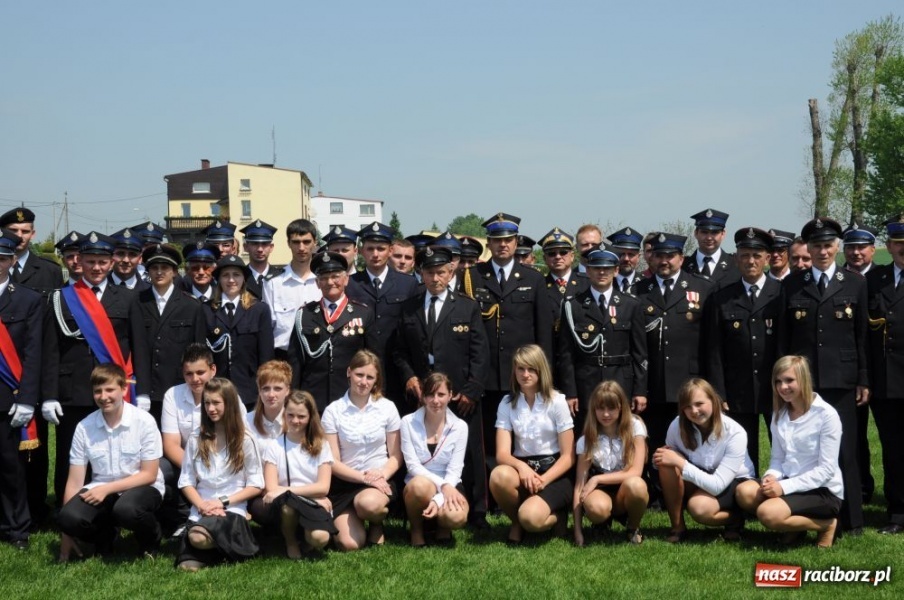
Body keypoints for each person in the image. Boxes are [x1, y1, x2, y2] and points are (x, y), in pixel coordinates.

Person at [42, 231, 151, 506]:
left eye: (102, 262)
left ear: (111, 262)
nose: (97, 268)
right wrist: (50, 394)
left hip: (114, 390)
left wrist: (145, 391)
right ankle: (68, 511)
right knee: (71, 452)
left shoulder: (128, 298)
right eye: (91, 262)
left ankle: (113, 507)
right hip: (73, 390)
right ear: (80, 261)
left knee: (114, 453)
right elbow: (51, 350)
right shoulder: (62, 298)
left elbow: (139, 348)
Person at [392, 246, 490, 529]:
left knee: (470, 452)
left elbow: (479, 354)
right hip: (422, 393)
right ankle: (418, 505)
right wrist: (409, 377)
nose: (435, 278)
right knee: (422, 451)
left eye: (441, 272)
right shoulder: (409, 307)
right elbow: (398, 351)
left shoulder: (467, 306)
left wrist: (472, 390)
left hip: (460, 393)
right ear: (421, 274)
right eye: (429, 272)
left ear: (451, 273)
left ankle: (477, 510)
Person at [779, 217, 867, 534]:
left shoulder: (855, 283)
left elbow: (861, 338)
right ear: (808, 248)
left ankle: (852, 521)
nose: (823, 251)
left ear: (837, 246)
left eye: (828, 245)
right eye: (816, 245)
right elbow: (784, 340)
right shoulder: (792, 284)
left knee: (846, 450)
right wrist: (785, 382)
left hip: (842, 381)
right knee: (803, 451)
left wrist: (863, 379)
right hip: (805, 384)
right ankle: (807, 516)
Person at [463, 213, 552, 463]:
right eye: (497, 240)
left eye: (509, 240)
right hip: (487, 374)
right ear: (488, 244)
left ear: (516, 242)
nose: (503, 244)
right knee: (490, 437)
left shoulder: (533, 279)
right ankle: (493, 492)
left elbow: (543, 331)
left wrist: (545, 376)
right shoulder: (471, 277)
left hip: (523, 373)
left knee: (525, 434)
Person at [57, 364, 164, 561]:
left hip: (142, 485)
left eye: (109, 389)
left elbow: (149, 474)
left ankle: (151, 538)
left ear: (124, 389)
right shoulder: (84, 427)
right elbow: (74, 482)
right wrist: (67, 532)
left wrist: (107, 489)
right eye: (98, 391)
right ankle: (105, 536)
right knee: (67, 517)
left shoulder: (144, 421)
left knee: (126, 509)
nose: (103, 396)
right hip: (101, 489)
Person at [735, 356, 842, 548]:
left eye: (789, 380)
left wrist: (783, 488)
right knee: (745, 491)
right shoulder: (779, 414)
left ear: (804, 379)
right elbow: (778, 458)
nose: (783, 387)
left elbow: (826, 470)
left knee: (767, 514)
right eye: (778, 381)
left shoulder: (826, 415)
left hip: (823, 490)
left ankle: (826, 525)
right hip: (789, 484)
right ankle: (796, 528)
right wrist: (770, 477)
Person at [703, 227, 783, 474]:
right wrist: (718, 391)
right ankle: (745, 495)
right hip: (737, 388)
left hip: (775, 387)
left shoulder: (781, 293)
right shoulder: (721, 298)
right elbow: (713, 350)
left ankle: (784, 491)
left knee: (783, 445)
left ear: (767, 258)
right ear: (736, 258)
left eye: (757, 255)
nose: (751, 261)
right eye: (745, 255)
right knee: (741, 449)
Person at [3, 208, 62, 525]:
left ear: (33, 234)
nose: (20, 237)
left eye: (25, 231)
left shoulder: (48, 271)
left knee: (35, 452)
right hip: (5, 374)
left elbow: (46, 334)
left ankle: (36, 508)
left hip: (29, 375)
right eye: (14, 231)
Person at [634, 233, 714, 452]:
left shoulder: (703, 289)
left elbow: (711, 343)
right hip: (654, 386)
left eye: (670, 255)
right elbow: (636, 347)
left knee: (694, 444)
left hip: (690, 383)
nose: (664, 261)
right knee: (656, 444)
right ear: (651, 257)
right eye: (659, 255)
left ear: (681, 258)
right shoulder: (638, 292)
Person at [489, 345, 574, 544]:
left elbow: (569, 456)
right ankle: (517, 523)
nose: (525, 374)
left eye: (531, 369)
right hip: (523, 472)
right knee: (498, 475)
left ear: (541, 370)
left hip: (555, 473)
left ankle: (557, 516)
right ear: (514, 371)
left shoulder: (557, 401)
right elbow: (502, 454)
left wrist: (543, 480)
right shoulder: (506, 403)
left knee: (532, 519)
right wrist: (522, 467)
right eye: (520, 369)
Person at [176, 377, 263, 571]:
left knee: (197, 536)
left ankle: (228, 544)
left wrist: (221, 502)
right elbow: (186, 481)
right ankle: (228, 549)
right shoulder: (196, 438)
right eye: (207, 403)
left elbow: (256, 484)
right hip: (202, 509)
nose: (211, 408)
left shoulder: (246, 440)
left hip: (230, 509)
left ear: (230, 404)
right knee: (187, 567)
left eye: (216, 402)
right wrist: (202, 505)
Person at [652, 378, 754, 543]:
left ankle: (736, 518)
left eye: (699, 404)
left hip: (733, 482)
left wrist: (680, 463)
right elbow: (664, 461)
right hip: (700, 476)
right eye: (687, 406)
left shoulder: (735, 432)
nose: (694, 411)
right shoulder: (676, 426)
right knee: (666, 464)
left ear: (713, 401)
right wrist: (658, 458)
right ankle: (677, 527)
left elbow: (717, 485)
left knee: (699, 509)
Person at [557, 247, 647, 431]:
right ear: (588, 271)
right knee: (586, 435)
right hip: (586, 383)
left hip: (621, 381)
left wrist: (639, 390)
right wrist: (570, 391)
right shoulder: (573, 306)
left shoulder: (631, 305)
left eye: (607, 268)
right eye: (596, 268)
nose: (602, 272)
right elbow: (565, 354)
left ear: (616, 271)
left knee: (621, 433)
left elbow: (639, 353)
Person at [322, 350, 402, 550]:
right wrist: (362, 477)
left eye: (370, 377)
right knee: (349, 544)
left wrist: (380, 475)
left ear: (376, 381)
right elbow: (332, 461)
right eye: (359, 374)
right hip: (345, 482)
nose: (363, 381)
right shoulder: (333, 411)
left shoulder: (387, 407)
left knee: (368, 505)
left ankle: (376, 522)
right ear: (349, 372)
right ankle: (350, 520)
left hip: (379, 481)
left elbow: (396, 455)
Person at [288, 251, 376, 414]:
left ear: (346, 279)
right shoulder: (305, 315)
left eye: (335, 276)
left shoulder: (363, 313)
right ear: (317, 282)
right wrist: (294, 395)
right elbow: (296, 360)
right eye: (324, 278)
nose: (330, 282)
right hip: (313, 398)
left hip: (352, 397)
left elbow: (373, 358)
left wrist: (375, 393)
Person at [0, 229, 43, 550]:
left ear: (12, 261)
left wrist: (28, 399)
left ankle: (17, 529)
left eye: (2, 259)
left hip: (9, 399)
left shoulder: (27, 299)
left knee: (11, 468)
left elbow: (33, 353)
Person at [260, 390, 337, 558]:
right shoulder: (274, 446)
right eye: (290, 415)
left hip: (311, 502)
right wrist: (309, 494)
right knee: (288, 507)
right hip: (288, 504)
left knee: (320, 538)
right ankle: (290, 541)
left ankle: (307, 542)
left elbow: (323, 487)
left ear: (311, 417)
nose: (295, 421)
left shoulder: (322, 445)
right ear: (284, 414)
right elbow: (272, 488)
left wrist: (287, 491)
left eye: (301, 416)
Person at [349, 221, 418, 404]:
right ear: (362, 251)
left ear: (390, 250)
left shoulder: (408, 284)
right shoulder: (350, 284)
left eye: (381, 248)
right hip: (363, 367)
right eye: (370, 249)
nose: (375, 254)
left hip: (398, 368)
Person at [865, 214, 904, 534]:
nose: (903, 249)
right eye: (898, 243)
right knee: (893, 449)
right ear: (889, 246)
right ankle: (897, 512)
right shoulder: (874, 280)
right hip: (886, 381)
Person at [573, 381, 648, 546]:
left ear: (621, 407)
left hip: (626, 487)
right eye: (600, 408)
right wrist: (577, 530)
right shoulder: (586, 439)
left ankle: (633, 527)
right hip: (601, 492)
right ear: (593, 409)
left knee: (637, 485)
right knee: (596, 508)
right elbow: (580, 485)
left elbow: (636, 472)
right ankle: (601, 521)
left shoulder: (635, 427)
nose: (606, 414)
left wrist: (597, 479)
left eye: (611, 408)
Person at [400, 373, 470, 547]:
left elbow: (455, 470)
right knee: (419, 486)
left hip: (450, 483)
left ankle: (442, 526)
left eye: (441, 395)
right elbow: (412, 466)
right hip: (419, 485)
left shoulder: (460, 427)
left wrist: (440, 497)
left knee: (456, 517)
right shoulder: (407, 422)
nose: (435, 400)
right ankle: (416, 530)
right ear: (423, 396)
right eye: (430, 394)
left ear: (450, 395)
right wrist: (443, 487)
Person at [137, 243, 206, 419]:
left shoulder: (191, 305)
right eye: (154, 268)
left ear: (175, 272)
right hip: (149, 389)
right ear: (148, 271)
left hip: (180, 387)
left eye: (165, 267)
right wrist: (142, 390)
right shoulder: (137, 303)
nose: (159, 272)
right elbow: (137, 347)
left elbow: (198, 352)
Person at [203, 254, 274, 409]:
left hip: (249, 389)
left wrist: (264, 388)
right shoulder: (206, 310)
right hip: (216, 389)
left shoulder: (259, 309)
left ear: (244, 279)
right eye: (225, 275)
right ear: (218, 279)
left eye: (236, 275)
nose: (231, 280)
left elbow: (266, 355)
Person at [842, 220, 879, 504]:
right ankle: (861, 487)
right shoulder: (840, 279)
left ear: (873, 250)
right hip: (852, 370)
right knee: (854, 435)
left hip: (885, 368)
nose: (856, 253)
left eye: (861, 247)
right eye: (851, 247)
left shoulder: (881, 278)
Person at [262, 219, 322, 358]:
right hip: (283, 356)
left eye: (306, 242)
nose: (301, 248)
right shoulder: (273, 283)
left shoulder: (325, 281)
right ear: (288, 243)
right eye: (296, 242)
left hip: (317, 356)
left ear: (315, 243)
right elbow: (266, 329)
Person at [540, 228, 588, 328]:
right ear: (545, 258)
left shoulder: (587, 282)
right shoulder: (539, 285)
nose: (558, 257)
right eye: (552, 253)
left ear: (572, 256)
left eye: (563, 252)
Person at [682, 208, 740, 290]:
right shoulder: (682, 266)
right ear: (696, 233)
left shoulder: (736, 265)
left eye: (714, 232)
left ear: (723, 234)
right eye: (704, 232)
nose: (709, 238)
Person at [245, 360, 292, 446]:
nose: (271, 395)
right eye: (266, 389)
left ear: (287, 390)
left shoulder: (295, 422)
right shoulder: (246, 422)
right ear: (259, 390)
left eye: (277, 389)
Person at [240, 219, 281, 300]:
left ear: (271, 247)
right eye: (255, 244)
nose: (260, 249)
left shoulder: (281, 276)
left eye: (264, 244)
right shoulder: (240, 277)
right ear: (245, 247)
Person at [607, 226, 644, 293]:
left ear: (638, 257)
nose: (626, 259)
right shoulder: (603, 283)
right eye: (621, 254)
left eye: (631, 254)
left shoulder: (646, 286)